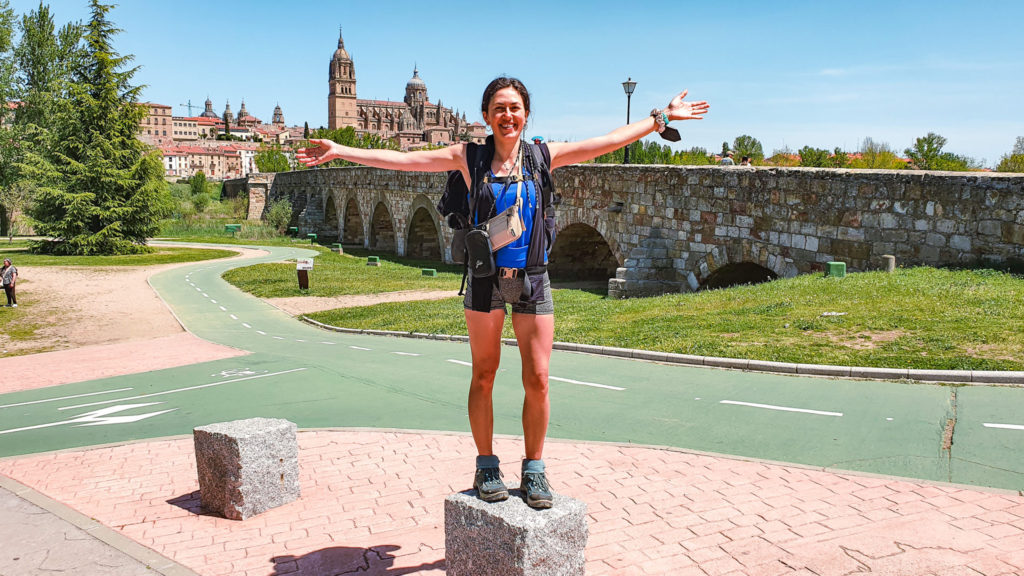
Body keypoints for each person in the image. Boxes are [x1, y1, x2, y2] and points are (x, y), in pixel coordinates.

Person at [297, 77, 708, 508]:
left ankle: (534, 470)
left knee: (539, 378)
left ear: (526, 113)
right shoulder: (467, 157)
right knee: (484, 374)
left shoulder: (543, 156)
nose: (507, 115)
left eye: (514, 107)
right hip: (485, 281)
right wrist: (341, 150)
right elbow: (406, 160)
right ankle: (487, 465)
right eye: (498, 108)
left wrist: (659, 119)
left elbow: (605, 141)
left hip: (531, 277)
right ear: (486, 116)